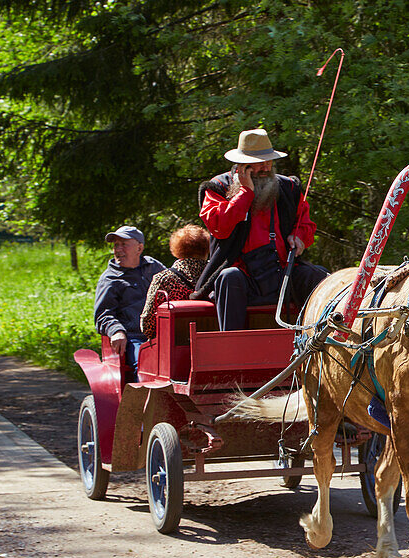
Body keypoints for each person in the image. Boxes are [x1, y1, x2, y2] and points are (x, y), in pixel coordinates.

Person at [195, 128, 327, 330]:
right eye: (258, 162)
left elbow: (306, 225)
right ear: (242, 163)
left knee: (319, 276)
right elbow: (219, 226)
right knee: (229, 277)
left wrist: (299, 237)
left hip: (283, 270)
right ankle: (232, 349)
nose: (266, 167)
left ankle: (322, 345)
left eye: (269, 161)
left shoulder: (288, 187)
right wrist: (245, 192)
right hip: (242, 274)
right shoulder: (217, 187)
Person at [93, 224, 165, 374]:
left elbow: (173, 284)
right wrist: (116, 331)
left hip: (164, 333)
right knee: (145, 364)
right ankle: (141, 397)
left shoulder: (153, 267)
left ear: (139, 248)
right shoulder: (109, 279)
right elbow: (103, 315)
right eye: (116, 245)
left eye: (124, 244)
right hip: (134, 337)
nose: (118, 249)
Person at [139, 224, 212, 340]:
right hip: (211, 342)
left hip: (170, 344)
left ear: (176, 249)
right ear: (207, 248)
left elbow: (147, 324)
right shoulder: (218, 276)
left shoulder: (164, 278)